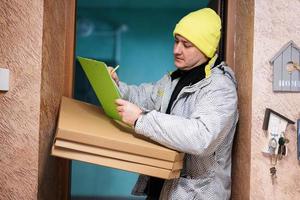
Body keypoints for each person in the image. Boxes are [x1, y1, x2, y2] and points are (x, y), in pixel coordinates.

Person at [109, 8, 238, 200]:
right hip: (162, 187)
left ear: (206, 47)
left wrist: (141, 119)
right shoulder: (174, 79)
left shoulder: (220, 88)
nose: (176, 50)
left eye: (186, 44)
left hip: (195, 194)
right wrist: (116, 85)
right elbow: (142, 97)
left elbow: (201, 137)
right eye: (176, 41)